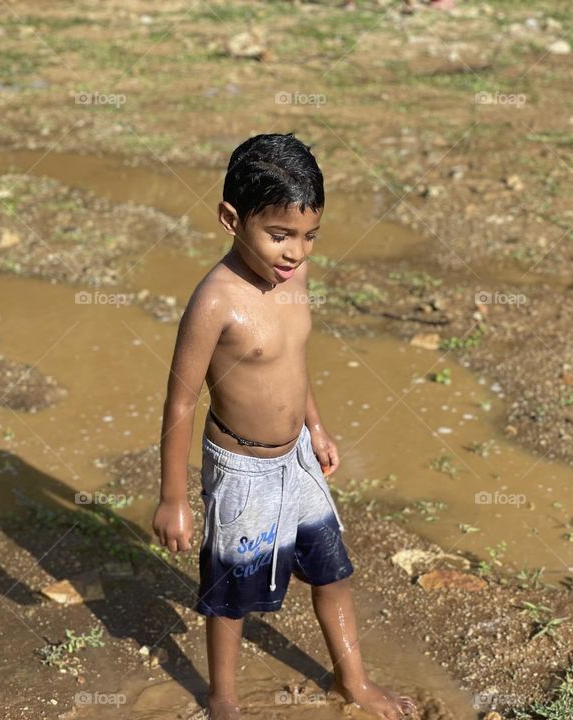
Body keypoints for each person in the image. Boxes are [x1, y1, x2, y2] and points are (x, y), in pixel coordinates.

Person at [151, 133, 416, 719]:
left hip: (295, 459)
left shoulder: (294, 282)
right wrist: (174, 497)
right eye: (279, 235)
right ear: (230, 218)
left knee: (332, 572)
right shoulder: (215, 302)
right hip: (242, 470)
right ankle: (222, 700)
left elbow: (294, 364)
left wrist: (315, 428)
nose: (295, 252)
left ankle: (354, 681)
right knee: (231, 598)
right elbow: (179, 404)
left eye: (309, 237)